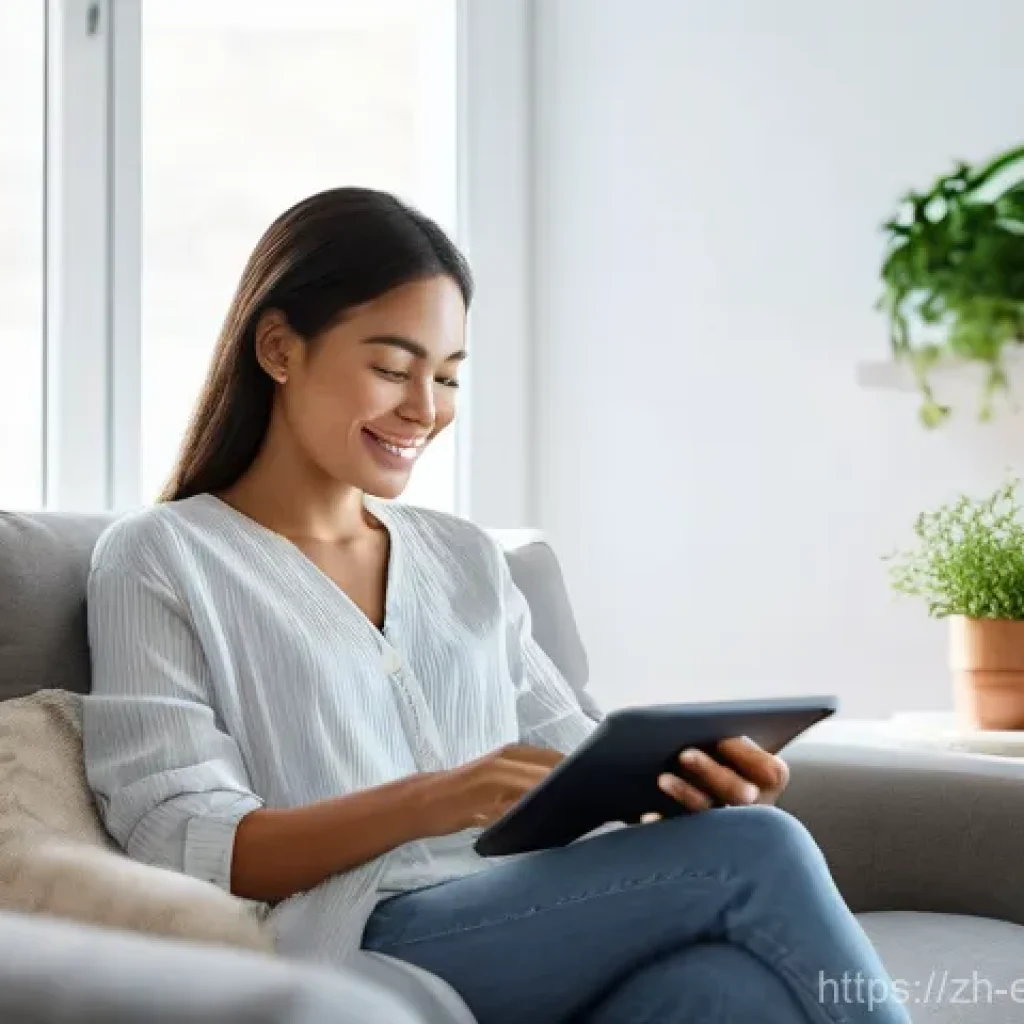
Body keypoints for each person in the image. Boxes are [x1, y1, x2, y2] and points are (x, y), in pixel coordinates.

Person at [83, 187, 909, 1024]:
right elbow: (184, 843)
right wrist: (432, 798)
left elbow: (576, 773)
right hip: (357, 942)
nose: (425, 408)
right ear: (278, 348)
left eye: (445, 376)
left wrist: (690, 797)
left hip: (523, 920)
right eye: (392, 368)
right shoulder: (162, 557)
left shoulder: (467, 559)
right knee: (759, 853)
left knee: (729, 988)